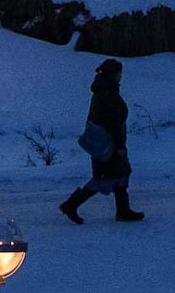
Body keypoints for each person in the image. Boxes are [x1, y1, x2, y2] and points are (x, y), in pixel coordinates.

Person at [56, 59, 145, 223]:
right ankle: (71, 205)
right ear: (112, 75)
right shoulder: (107, 95)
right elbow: (113, 123)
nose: (121, 77)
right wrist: (119, 145)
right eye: (118, 73)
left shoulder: (103, 92)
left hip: (105, 143)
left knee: (120, 174)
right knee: (105, 177)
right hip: (108, 144)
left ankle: (123, 210)